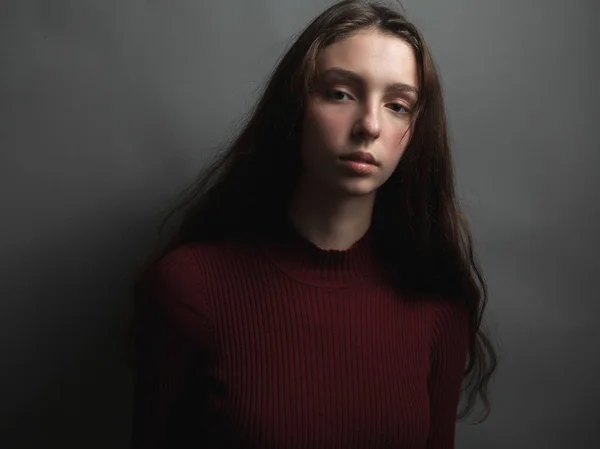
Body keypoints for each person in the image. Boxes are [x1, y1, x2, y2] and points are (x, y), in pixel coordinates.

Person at [130, 0, 499, 447]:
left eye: (398, 105)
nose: (369, 125)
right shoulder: (190, 287)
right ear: (295, 106)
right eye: (341, 93)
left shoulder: (437, 303)